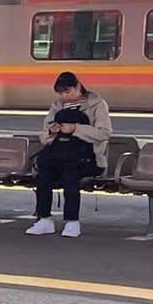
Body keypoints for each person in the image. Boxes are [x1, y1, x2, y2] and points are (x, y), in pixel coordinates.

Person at [27, 71, 111, 238]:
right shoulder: (57, 106)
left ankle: (72, 222)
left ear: (78, 87)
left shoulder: (97, 104)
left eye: (67, 92)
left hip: (87, 158)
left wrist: (75, 129)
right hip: (58, 155)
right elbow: (44, 135)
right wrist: (52, 131)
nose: (64, 96)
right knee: (43, 175)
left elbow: (104, 133)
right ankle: (44, 219)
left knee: (70, 175)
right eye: (60, 93)